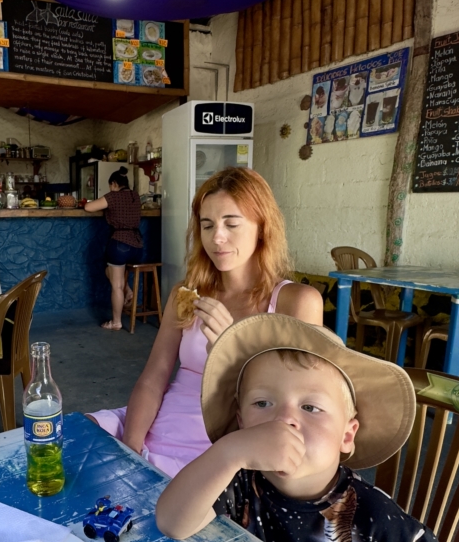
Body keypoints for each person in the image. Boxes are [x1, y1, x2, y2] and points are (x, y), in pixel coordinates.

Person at [156, 314, 459, 542]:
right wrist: (229, 452)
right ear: (241, 423)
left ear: (347, 435)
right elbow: (172, 522)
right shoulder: (236, 481)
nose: (283, 419)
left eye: (310, 407)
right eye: (262, 403)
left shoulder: (383, 526)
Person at [87, 167, 323, 477]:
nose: (217, 238)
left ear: (262, 228)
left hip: (227, 440)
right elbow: (154, 377)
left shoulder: (296, 302)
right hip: (159, 420)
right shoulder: (187, 294)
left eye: (231, 223)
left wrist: (230, 349)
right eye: (207, 225)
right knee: (74, 438)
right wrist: (132, 448)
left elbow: (300, 406)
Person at [84, 166, 142, 331]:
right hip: (137, 246)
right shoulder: (135, 196)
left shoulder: (113, 197)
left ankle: (116, 322)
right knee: (109, 271)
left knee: (116, 285)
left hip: (119, 244)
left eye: (110, 186)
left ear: (114, 184)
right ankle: (128, 290)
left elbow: (89, 207)